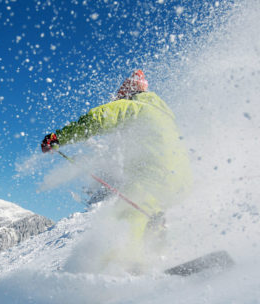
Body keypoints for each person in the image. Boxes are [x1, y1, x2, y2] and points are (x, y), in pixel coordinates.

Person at [41, 70, 192, 267]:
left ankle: (115, 273)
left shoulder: (133, 106)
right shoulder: (164, 114)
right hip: (182, 181)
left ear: (129, 92)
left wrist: (58, 138)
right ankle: (159, 265)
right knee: (152, 220)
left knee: (124, 222)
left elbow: (96, 119)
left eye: (121, 95)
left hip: (153, 177)